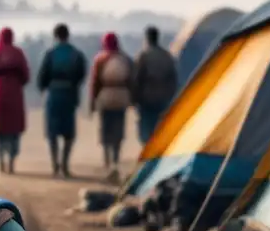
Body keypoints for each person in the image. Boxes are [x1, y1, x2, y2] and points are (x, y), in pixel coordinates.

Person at [36, 24, 86, 178]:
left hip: (54, 95)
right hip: (69, 95)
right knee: (68, 133)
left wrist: (43, 88)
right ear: (67, 35)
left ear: (55, 35)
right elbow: (81, 74)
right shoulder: (76, 54)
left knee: (53, 132)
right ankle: (65, 164)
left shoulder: (50, 53)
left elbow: (42, 76)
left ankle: (55, 165)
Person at [0, 28, 30, 174]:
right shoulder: (18, 53)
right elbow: (26, 75)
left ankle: (1, 160)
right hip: (15, 93)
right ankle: (11, 161)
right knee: (14, 129)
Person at [89, 32, 134, 182]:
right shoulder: (126, 59)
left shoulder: (100, 59)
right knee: (118, 128)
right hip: (121, 97)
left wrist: (92, 102)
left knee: (105, 128)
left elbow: (95, 83)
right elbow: (131, 81)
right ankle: (116, 158)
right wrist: (132, 100)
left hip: (106, 97)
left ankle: (106, 159)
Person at [132, 25, 177, 145]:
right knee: (159, 126)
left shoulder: (143, 56)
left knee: (146, 127)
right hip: (163, 98)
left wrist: (134, 98)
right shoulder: (167, 56)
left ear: (147, 38)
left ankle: (147, 149)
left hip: (146, 98)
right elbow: (173, 79)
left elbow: (136, 79)